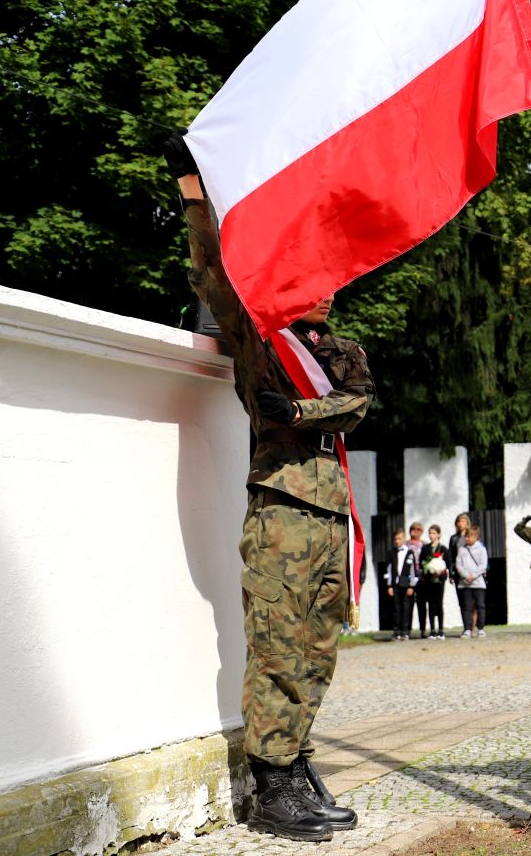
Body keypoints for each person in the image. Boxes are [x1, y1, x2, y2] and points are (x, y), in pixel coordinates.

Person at [164, 134, 368, 840]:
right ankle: (271, 783)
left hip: (330, 513)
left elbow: (360, 401)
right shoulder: (263, 339)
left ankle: (299, 761)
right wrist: (195, 195)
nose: (332, 283)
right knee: (277, 644)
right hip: (281, 507)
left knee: (317, 647)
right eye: (319, 271)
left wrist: (306, 411)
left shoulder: (345, 352)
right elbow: (214, 279)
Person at [385, 526, 419, 641]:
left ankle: (406, 631)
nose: (397, 541)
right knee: (396, 608)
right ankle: (396, 631)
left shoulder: (410, 552)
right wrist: (389, 585)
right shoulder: (391, 553)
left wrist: (411, 585)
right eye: (395, 539)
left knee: (406, 608)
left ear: (404, 538)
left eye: (399, 539)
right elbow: (388, 570)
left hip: (406, 584)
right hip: (395, 584)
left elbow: (413, 571)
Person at [455, 523, 488, 638]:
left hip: (478, 583)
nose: (467, 539)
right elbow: (458, 565)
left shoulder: (482, 549)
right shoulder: (461, 550)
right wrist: (465, 575)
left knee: (480, 605)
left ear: (475, 537)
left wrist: (473, 576)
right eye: (466, 537)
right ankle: (467, 629)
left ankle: (481, 628)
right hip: (465, 583)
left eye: (469, 536)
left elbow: (483, 565)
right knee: (467, 606)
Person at [419, 524, 449, 640]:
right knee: (431, 604)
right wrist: (428, 569)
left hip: (439, 581)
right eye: (430, 533)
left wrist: (441, 571)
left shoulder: (443, 549)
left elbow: (448, 563)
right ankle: (432, 629)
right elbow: (421, 562)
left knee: (439, 603)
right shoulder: (425, 548)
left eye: (434, 533)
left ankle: (441, 629)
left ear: (439, 534)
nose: (431, 536)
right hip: (429, 580)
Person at [406, 521, 428, 638]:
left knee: (422, 605)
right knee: (408, 605)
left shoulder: (425, 545)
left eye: (419, 529)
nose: (416, 530)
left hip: (421, 579)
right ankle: (407, 629)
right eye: (413, 528)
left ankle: (423, 629)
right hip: (408, 579)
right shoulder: (405, 545)